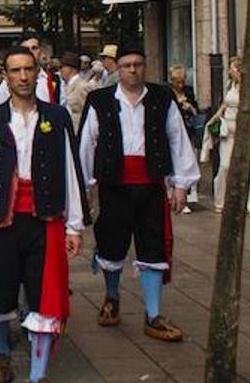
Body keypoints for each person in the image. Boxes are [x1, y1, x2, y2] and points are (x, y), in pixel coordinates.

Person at [0, 46, 86, 383]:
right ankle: (0, 351)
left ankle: (38, 376)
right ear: (5, 75)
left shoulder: (57, 116)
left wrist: (74, 226)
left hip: (45, 219)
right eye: (15, 70)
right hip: (2, 218)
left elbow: (70, 172)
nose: (22, 77)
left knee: (45, 297)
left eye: (28, 69)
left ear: (38, 73)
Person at [78, 44, 199, 342]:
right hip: (113, 186)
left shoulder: (161, 98)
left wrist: (181, 183)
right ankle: (111, 298)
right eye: (127, 65)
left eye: (138, 64)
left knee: (153, 246)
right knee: (110, 245)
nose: (133, 70)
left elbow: (177, 138)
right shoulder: (100, 100)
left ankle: (154, 314)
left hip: (151, 186)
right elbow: (87, 146)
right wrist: (84, 189)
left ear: (145, 66)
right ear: (117, 68)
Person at [205, 56, 250, 216]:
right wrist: (213, 121)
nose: (230, 71)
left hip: (245, 132)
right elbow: (224, 106)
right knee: (225, 166)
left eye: (232, 68)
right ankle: (221, 200)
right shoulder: (230, 85)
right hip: (228, 131)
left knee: (249, 166)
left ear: (239, 70)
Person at [167, 64, 203, 212]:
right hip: (173, 132)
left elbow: (197, 111)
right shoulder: (167, 92)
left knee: (187, 160)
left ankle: (186, 198)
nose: (180, 85)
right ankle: (172, 195)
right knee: (173, 163)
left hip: (188, 130)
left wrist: (190, 108)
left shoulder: (188, 91)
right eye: (177, 82)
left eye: (182, 81)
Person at [0, 34, 63, 105]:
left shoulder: (54, 80)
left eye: (34, 48)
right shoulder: (7, 83)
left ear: (41, 51)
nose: (30, 52)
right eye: (25, 49)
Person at [60, 52, 93, 131]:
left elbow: (89, 113)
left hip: (78, 131)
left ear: (72, 68)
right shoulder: (64, 86)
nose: (61, 70)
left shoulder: (83, 86)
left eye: (63, 66)